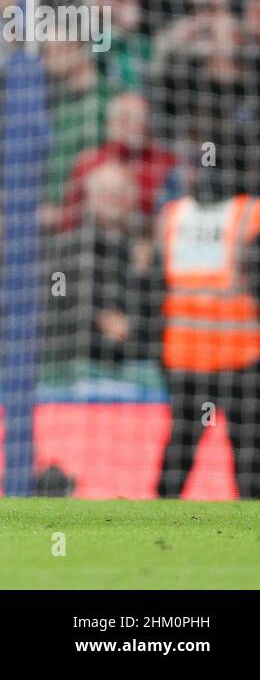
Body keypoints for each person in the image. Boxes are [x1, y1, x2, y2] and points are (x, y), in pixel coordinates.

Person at [154, 160, 259, 499]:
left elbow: (154, 283)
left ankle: (158, 521)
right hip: (238, 354)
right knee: (247, 448)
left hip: (187, 353)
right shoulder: (248, 214)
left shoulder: (173, 215)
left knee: (181, 446)